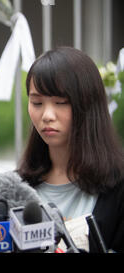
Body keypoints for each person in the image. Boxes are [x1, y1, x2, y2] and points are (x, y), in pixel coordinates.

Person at [17, 47, 124, 252]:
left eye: (61, 102)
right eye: (37, 102)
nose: (47, 115)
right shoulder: (17, 188)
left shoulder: (118, 186)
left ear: (89, 104)